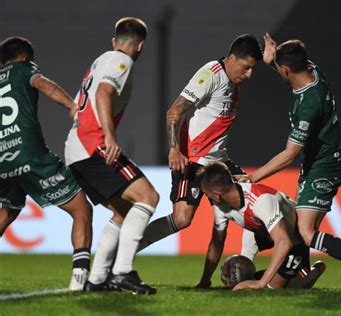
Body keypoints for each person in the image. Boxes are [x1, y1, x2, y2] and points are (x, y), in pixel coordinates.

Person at [241, 34, 341, 291]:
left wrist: (254, 176)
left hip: (325, 166)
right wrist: (271, 60)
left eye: (279, 67)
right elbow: (290, 65)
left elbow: (289, 154)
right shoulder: (312, 71)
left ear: (286, 68)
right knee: (299, 227)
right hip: (317, 162)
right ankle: (301, 274)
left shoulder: (309, 106)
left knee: (306, 232)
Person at [137, 34, 262, 252]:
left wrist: (271, 60)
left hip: (219, 161)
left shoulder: (233, 79)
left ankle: (255, 273)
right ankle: (124, 253)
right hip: (193, 161)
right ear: (231, 58)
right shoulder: (211, 75)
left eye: (252, 69)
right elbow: (174, 111)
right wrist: (174, 150)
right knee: (181, 219)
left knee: (256, 204)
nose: (249, 74)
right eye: (245, 67)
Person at [64, 17, 158, 294]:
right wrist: (109, 136)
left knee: (123, 211)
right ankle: (122, 272)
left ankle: (96, 280)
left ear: (114, 40)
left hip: (76, 149)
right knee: (148, 197)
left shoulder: (99, 61)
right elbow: (104, 93)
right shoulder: (121, 61)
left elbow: (76, 108)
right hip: (93, 145)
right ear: (140, 46)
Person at [0, 36, 93, 290]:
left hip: (1, 160)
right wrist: (71, 105)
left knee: (7, 212)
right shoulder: (23, 68)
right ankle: (80, 279)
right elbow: (42, 83)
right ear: (24, 57)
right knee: (81, 209)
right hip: (29, 155)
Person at [194, 162, 326, 290]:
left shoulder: (260, 200)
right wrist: (205, 280)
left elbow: (284, 241)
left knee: (278, 287)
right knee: (241, 279)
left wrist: (261, 283)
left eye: (207, 194)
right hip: (261, 229)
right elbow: (217, 242)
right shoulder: (221, 205)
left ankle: (313, 270)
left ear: (216, 194)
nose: (207, 197)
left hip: (294, 236)